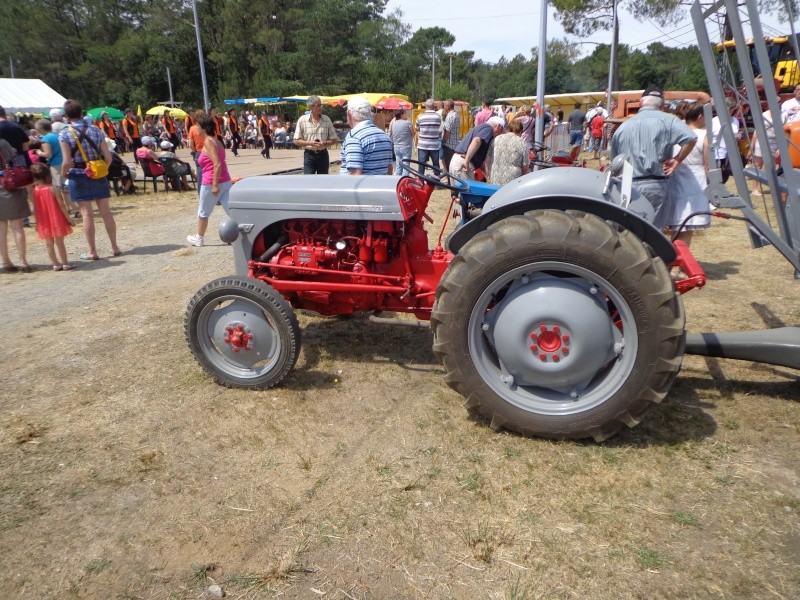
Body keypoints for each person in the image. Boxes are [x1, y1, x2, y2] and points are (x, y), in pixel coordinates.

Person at [610, 86, 697, 229]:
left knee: (629, 231)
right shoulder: (669, 121)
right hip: (655, 185)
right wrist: (677, 160)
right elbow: (691, 138)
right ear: (662, 105)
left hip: (627, 186)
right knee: (653, 232)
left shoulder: (622, 127)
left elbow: (615, 162)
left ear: (641, 103)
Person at [59, 99, 121, 261]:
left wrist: (63, 175)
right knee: (105, 211)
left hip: (78, 174)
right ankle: (114, 247)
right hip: (98, 173)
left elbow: (67, 162)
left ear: (66, 116)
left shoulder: (65, 133)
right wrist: (102, 169)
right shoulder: (95, 130)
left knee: (87, 214)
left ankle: (92, 251)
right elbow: (108, 156)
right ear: (81, 113)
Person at [665, 103, 711, 279]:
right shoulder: (703, 135)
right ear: (699, 117)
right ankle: (676, 267)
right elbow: (707, 164)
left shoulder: (677, 132)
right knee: (688, 226)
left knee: (678, 224)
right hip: (694, 181)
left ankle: (671, 261)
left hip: (676, 177)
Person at [187, 114, 233, 247]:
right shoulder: (217, 140)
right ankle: (243, 233)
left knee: (203, 212)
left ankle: (199, 238)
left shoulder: (208, 142)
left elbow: (217, 163)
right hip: (226, 181)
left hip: (212, 182)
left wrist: (214, 185)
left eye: (197, 126)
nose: (195, 128)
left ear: (204, 128)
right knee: (231, 210)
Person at [29, 163, 74, 271]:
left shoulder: (33, 190)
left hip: (43, 221)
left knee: (49, 243)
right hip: (56, 218)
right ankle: (65, 263)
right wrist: (69, 219)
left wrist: (36, 222)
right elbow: (61, 205)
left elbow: (34, 207)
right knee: (60, 243)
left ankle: (55, 264)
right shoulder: (53, 188)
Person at [0, 138, 32, 273]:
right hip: (9, 185)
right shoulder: (2, 142)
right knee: (17, 226)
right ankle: (23, 261)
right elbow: (14, 154)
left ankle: (6, 261)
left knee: (1, 229)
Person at [340, 96, 393, 175]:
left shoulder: (354, 137)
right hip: (381, 186)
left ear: (349, 114)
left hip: (362, 186)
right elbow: (389, 170)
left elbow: (355, 174)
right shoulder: (384, 136)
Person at [449, 116, 506, 180]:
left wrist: (487, 175)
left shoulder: (483, 128)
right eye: (501, 131)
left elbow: (478, 158)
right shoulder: (488, 128)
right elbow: (476, 141)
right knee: (467, 189)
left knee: (457, 189)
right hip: (463, 162)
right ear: (498, 126)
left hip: (458, 160)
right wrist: (466, 161)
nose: (500, 134)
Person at [294, 96, 338, 173]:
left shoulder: (327, 120)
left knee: (323, 181)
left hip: (323, 155)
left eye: (321, 105)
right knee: (308, 181)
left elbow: (334, 139)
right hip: (309, 155)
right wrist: (310, 143)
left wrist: (324, 143)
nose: (320, 107)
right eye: (318, 105)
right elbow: (296, 140)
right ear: (311, 107)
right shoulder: (302, 120)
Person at [489, 118, 529, 185]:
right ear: (521, 131)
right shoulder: (522, 143)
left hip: (495, 178)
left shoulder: (496, 139)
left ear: (508, 129)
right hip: (512, 181)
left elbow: (488, 159)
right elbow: (525, 165)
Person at [710, 95, 741, 183]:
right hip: (716, 154)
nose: (731, 111)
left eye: (732, 108)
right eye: (729, 108)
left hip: (729, 155)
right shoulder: (713, 121)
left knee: (725, 177)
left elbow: (735, 136)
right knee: (715, 179)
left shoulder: (735, 121)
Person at [414, 98, 442, 174]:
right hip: (434, 145)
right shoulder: (438, 117)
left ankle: (420, 182)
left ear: (426, 106)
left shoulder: (420, 116)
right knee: (436, 165)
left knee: (421, 166)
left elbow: (416, 129)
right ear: (433, 106)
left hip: (423, 144)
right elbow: (439, 127)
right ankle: (436, 182)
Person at [388, 109, 413, 176]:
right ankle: (404, 181)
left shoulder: (394, 123)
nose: (406, 115)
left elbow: (391, 132)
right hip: (406, 146)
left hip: (396, 146)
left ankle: (397, 181)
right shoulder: (407, 123)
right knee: (406, 165)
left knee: (398, 165)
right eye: (405, 113)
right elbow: (412, 133)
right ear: (401, 115)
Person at [441, 99, 462, 172]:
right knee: (452, 166)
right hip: (455, 144)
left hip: (449, 146)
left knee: (448, 165)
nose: (443, 107)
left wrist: (443, 142)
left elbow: (447, 132)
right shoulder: (456, 115)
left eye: (444, 105)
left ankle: (450, 182)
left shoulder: (450, 117)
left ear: (447, 106)